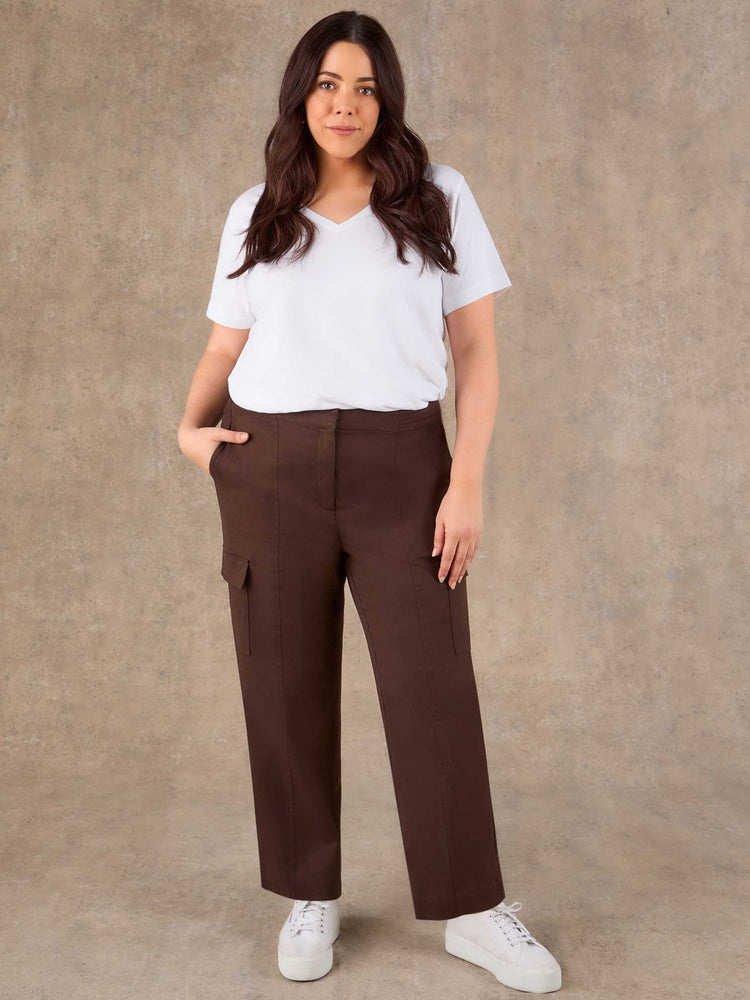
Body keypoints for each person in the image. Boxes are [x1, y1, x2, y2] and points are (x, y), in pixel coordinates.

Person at [177, 9, 562, 993]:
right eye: (325, 84)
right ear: (299, 94)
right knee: (285, 682)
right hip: (269, 468)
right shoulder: (255, 210)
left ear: (385, 101)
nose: (342, 105)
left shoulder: (438, 198)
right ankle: (312, 891)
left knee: (432, 687)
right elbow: (225, 347)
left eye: (363, 87)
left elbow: (474, 351)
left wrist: (465, 481)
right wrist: (191, 426)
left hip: (403, 464)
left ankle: (474, 908)